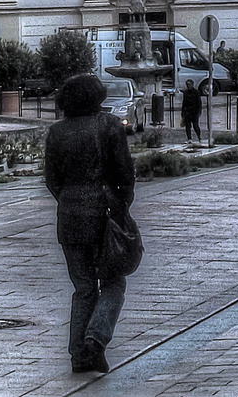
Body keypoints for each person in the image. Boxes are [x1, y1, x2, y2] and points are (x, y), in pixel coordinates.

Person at [45, 73, 136, 375]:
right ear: (97, 97)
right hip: (103, 214)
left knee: (83, 287)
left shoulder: (57, 132)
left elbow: (52, 180)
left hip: (69, 218)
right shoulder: (109, 126)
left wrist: (69, 201)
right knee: (113, 282)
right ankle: (96, 337)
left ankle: (79, 356)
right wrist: (121, 208)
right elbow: (125, 174)